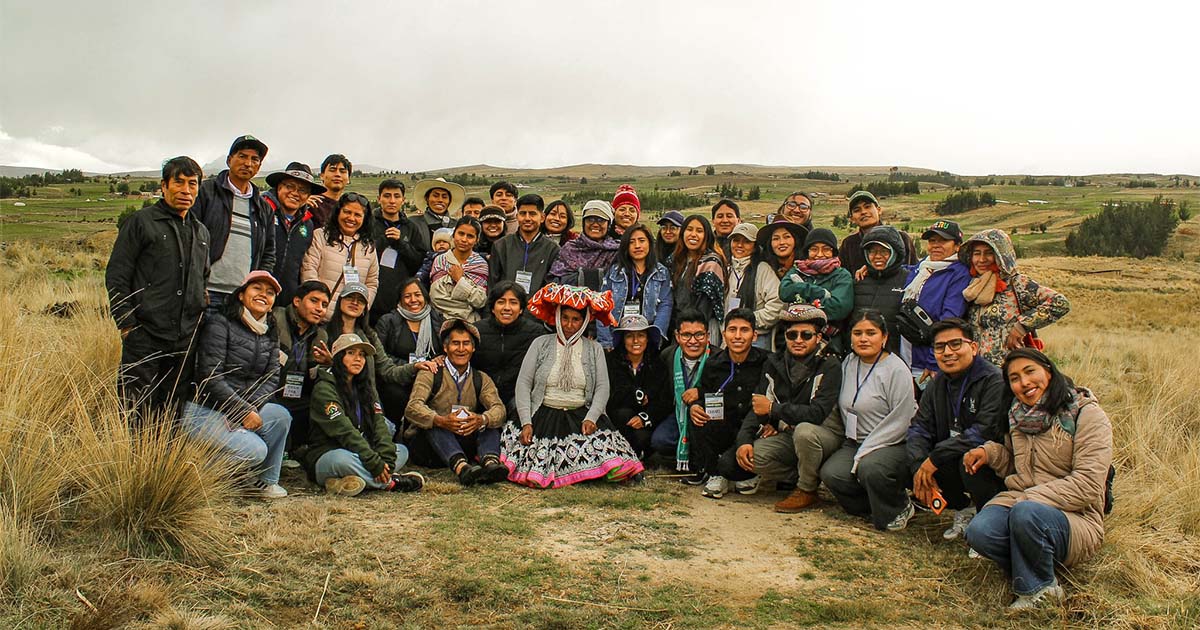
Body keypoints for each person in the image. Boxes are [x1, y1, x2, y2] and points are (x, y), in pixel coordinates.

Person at [963, 348, 1112, 610]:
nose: (1024, 383)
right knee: (979, 532)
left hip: (1077, 516)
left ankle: (1039, 590)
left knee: (1026, 514)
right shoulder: (1016, 414)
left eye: (1030, 372)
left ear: (1049, 371)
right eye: (1015, 378)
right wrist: (989, 453)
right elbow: (1015, 465)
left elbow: (1088, 484)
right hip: (1023, 503)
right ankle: (1035, 559)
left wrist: (1029, 499)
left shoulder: (1087, 415)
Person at [501, 283, 644, 488]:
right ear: (557, 317)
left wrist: (592, 417)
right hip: (542, 414)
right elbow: (523, 384)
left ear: (584, 321)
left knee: (611, 457)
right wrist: (526, 421)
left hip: (581, 414)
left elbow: (602, 388)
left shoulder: (594, 349)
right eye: (565, 318)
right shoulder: (541, 343)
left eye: (576, 319)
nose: (569, 325)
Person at [106, 156, 209, 418]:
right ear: (164, 186)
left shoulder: (201, 233)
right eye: (179, 182)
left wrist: (197, 318)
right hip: (144, 333)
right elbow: (117, 275)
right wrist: (127, 324)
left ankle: (163, 458)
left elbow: (203, 278)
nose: (186, 191)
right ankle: (131, 458)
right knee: (134, 407)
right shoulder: (141, 222)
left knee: (172, 408)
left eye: (193, 184)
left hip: (184, 338)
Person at [182, 271, 292, 499]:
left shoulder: (270, 332)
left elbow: (271, 378)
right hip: (204, 409)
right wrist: (241, 411)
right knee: (255, 450)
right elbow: (210, 377)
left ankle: (264, 482)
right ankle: (193, 478)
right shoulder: (220, 324)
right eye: (257, 289)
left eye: (270, 293)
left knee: (280, 416)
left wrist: (247, 409)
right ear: (241, 295)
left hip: (240, 410)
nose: (263, 295)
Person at [723, 304, 842, 512]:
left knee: (805, 432)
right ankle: (807, 477)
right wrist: (744, 442)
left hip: (824, 434)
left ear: (818, 337)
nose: (798, 340)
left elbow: (816, 414)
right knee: (750, 457)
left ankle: (806, 490)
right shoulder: (774, 362)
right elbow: (757, 407)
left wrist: (773, 410)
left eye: (806, 335)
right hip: (790, 434)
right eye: (792, 334)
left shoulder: (830, 365)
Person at [908, 319, 1008, 542]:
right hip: (951, 453)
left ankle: (990, 527)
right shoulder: (937, 383)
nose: (947, 352)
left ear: (973, 347)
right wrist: (918, 467)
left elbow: (985, 431)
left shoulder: (993, 380)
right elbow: (920, 426)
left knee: (970, 460)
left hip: (990, 460)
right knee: (916, 459)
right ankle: (964, 509)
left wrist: (934, 458)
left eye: (955, 344)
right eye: (940, 347)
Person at [819, 310, 917, 531]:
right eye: (857, 333)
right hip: (855, 440)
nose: (863, 339)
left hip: (891, 442)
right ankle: (871, 507)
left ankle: (898, 507)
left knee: (870, 468)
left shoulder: (896, 369)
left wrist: (868, 450)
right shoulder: (848, 363)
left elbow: (902, 420)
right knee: (831, 474)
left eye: (871, 333)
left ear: (884, 337)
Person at [303, 333, 425, 495]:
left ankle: (340, 483)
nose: (358, 359)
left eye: (362, 354)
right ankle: (391, 483)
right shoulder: (324, 388)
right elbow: (344, 431)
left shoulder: (365, 387)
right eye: (351, 353)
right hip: (330, 454)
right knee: (343, 460)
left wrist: (386, 459)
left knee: (401, 451)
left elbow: (379, 424)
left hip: (362, 451)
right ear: (338, 357)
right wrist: (374, 462)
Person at [404, 319, 508, 486]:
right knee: (436, 425)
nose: (461, 349)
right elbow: (413, 407)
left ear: (473, 348)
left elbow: (499, 409)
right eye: (455, 343)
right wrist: (441, 420)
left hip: (463, 438)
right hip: (430, 447)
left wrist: (481, 419)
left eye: (466, 343)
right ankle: (461, 468)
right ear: (445, 348)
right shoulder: (431, 373)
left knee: (489, 423)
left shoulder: (480, 378)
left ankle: (491, 464)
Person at [685, 308, 768, 497]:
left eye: (744, 330)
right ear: (724, 334)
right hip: (724, 427)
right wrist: (695, 405)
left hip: (754, 429)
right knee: (698, 415)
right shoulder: (714, 363)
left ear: (754, 335)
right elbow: (705, 392)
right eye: (732, 330)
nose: (737, 336)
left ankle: (749, 472)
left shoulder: (767, 361)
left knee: (731, 467)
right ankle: (715, 474)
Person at [959, 229, 1071, 368]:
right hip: (976, 372)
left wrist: (1022, 326)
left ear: (1002, 255)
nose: (981, 259)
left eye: (989, 253)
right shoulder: (971, 287)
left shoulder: (1018, 284)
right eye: (977, 253)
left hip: (1010, 372)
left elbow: (1060, 303)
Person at [192, 135, 274, 310]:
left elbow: (268, 252)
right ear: (229, 160)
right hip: (205, 292)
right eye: (242, 156)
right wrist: (196, 283)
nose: (248, 163)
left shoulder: (263, 208)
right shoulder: (206, 192)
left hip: (241, 298)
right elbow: (190, 237)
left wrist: (256, 287)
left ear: (259, 167)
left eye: (254, 159)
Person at [903, 220, 972, 386]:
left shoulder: (958, 273)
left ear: (957, 246)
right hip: (906, 356)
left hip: (928, 362)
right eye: (932, 241)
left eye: (943, 241)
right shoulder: (923, 268)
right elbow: (903, 270)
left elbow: (948, 320)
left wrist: (934, 361)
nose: (935, 245)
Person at [272, 280, 332, 466]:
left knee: (323, 405)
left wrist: (328, 365)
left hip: (297, 394)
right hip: (269, 391)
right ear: (297, 301)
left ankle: (305, 452)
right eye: (314, 301)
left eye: (324, 305)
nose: (319, 308)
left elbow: (315, 381)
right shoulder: (275, 319)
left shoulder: (321, 335)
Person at [652, 309, 715, 470]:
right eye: (686, 335)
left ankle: (702, 459)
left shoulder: (717, 359)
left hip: (707, 414)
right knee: (660, 441)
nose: (693, 341)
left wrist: (700, 394)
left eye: (699, 335)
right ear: (677, 336)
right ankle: (688, 456)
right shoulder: (668, 355)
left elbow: (725, 394)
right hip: (678, 412)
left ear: (708, 335)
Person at [375, 278, 444, 420]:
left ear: (425, 297)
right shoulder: (388, 321)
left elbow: (447, 348)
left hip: (430, 377)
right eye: (407, 296)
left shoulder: (437, 318)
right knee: (394, 394)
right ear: (400, 300)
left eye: (417, 295)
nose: (413, 300)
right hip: (399, 379)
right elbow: (381, 356)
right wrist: (412, 367)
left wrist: (441, 357)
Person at [605, 314, 673, 460]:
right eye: (629, 336)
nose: (636, 341)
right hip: (618, 419)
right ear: (623, 339)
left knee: (642, 437)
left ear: (647, 338)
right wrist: (636, 395)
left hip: (647, 420)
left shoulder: (658, 363)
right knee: (623, 414)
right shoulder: (611, 362)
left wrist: (645, 418)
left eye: (641, 335)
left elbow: (665, 400)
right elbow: (612, 396)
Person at [301, 192, 380, 317]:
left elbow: (372, 282)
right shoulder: (320, 236)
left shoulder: (368, 248)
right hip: (319, 316)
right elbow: (309, 269)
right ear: (338, 212)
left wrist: (361, 310)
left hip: (349, 320)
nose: (351, 218)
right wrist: (317, 305)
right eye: (347, 212)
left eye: (358, 215)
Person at [472, 282, 546, 413]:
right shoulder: (476, 330)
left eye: (513, 302)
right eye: (501, 302)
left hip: (519, 400)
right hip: (482, 398)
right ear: (493, 308)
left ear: (521, 309)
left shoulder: (536, 333)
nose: (507, 308)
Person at [597, 225, 673, 351]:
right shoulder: (615, 272)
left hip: (647, 337)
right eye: (632, 242)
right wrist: (606, 341)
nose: (637, 246)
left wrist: (656, 337)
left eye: (642, 241)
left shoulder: (661, 272)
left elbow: (665, 305)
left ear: (650, 243)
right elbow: (602, 305)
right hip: (617, 335)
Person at [780, 228, 854, 354]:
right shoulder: (798, 270)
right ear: (807, 251)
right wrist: (818, 292)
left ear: (834, 252)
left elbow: (839, 308)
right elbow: (784, 292)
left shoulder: (842, 275)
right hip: (796, 338)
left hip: (829, 339)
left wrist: (802, 306)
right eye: (814, 249)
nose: (820, 254)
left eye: (826, 249)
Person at [264, 162, 326, 304]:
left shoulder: (308, 224)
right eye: (290, 186)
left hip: (286, 300)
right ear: (279, 187)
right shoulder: (263, 210)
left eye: (303, 190)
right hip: (256, 293)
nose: (295, 193)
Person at [370, 178, 426, 324]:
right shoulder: (368, 224)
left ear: (403, 200)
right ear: (379, 199)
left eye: (396, 196)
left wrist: (401, 243)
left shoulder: (411, 227)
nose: (392, 201)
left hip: (402, 296)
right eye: (387, 196)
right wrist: (385, 240)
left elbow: (418, 261)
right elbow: (362, 254)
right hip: (374, 295)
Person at [851, 226, 908, 358]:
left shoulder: (908, 280)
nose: (877, 256)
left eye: (884, 251)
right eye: (872, 251)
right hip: (860, 357)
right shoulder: (858, 280)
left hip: (895, 357)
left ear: (895, 253)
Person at [725, 222, 782, 350]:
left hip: (758, 338)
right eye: (736, 240)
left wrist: (749, 321)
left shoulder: (763, 270)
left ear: (755, 246)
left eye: (746, 241)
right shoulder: (725, 268)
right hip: (729, 338)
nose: (739, 245)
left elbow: (777, 305)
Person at [670, 215, 726, 345]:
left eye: (699, 231)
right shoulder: (676, 260)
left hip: (700, 329)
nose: (693, 235)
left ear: (706, 236)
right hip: (679, 327)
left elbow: (704, 307)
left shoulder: (711, 263)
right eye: (689, 230)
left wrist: (691, 332)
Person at [489, 194, 560, 295]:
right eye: (523, 213)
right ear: (517, 216)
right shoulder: (501, 246)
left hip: (538, 308)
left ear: (542, 217)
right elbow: (493, 284)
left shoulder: (552, 249)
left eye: (532, 214)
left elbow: (552, 287)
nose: (527, 218)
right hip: (506, 307)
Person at [839, 191, 917, 278]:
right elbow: (843, 277)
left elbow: (914, 271)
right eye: (857, 210)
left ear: (879, 210)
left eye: (867, 207)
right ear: (852, 218)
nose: (863, 212)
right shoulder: (849, 244)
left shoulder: (902, 238)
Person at [548, 200, 620, 290]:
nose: (595, 224)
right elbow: (552, 284)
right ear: (583, 222)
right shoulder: (570, 249)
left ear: (608, 224)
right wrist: (581, 277)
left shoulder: (616, 252)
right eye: (590, 219)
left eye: (601, 220)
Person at [430, 216, 489, 321]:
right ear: (453, 235)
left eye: (470, 236)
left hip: (471, 323)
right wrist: (466, 308)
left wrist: (459, 280)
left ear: (477, 240)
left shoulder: (480, 264)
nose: (464, 239)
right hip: (441, 320)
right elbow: (436, 297)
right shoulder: (440, 261)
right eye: (461, 234)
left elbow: (480, 300)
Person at [413, 177, 466, 247]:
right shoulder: (413, 223)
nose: (440, 200)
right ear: (427, 199)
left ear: (449, 201)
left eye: (444, 197)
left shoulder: (457, 225)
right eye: (435, 195)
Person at [307, 154, 351, 229]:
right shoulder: (311, 203)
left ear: (348, 179)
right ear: (322, 176)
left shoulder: (350, 206)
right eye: (332, 170)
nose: (337, 174)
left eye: (342, 171)